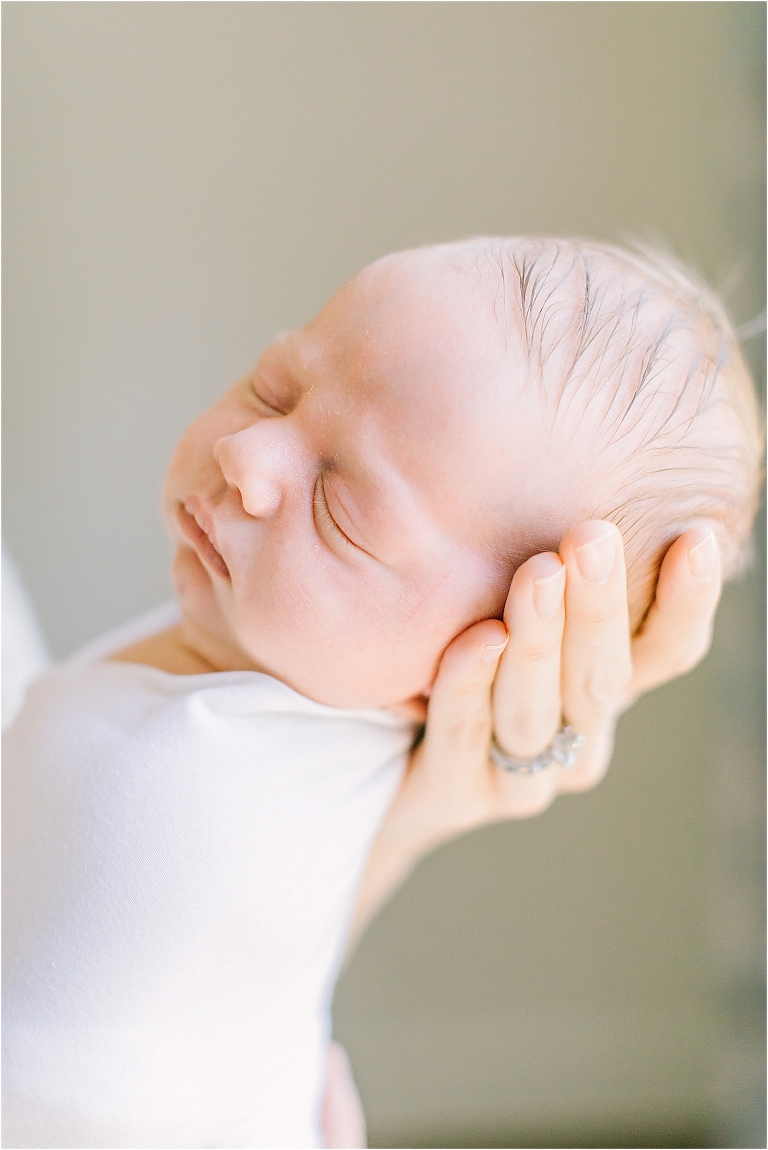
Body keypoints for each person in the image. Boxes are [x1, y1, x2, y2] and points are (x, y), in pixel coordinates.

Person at [3, 237, 760, 1149]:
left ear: (482, 656)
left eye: (344, 512)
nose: (248, 453)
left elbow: (46, 1102)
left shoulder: (180, 793)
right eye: (272, 385)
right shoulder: (252, 676)